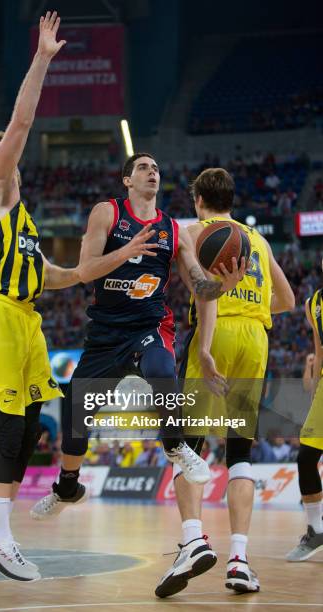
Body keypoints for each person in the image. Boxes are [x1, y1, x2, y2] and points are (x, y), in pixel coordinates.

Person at [30, 155, 245, 521]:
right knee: (74, 420)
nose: (152, 172)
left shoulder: (173, 230)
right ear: (127, 180)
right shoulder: (107, 213)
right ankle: (67, 486)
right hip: (106, 334)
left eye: (157, 168)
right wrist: (126, 252)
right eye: (144, 167)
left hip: (149, 326)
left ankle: (175, 445)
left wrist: (220, 286)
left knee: (162, 369)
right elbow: (85, 271)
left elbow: (198, 285)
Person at [0, 12, 81, 582]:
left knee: (31, 427)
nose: (10, 155)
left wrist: (110, 266)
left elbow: (57, 276)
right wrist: (43, 58)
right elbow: (23, 122)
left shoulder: (25, 222)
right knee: (9, 426)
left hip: (25, 319)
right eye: (0, 151)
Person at [156, 167, 295, 597]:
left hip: (215, 336)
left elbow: (203, 292)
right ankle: (239, 560)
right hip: (256, 338)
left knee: (188, 448)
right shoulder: (259, 240)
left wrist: (209, 342)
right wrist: (255, 308)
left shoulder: (194, 231)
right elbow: (288, 300)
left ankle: (193, 541)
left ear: (198, 199)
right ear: (232, 200)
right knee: (240, 456)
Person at [286, 271, 323, 561]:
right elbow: (318, 350)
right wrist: (312, 385)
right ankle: (316, 529)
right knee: (306, 458)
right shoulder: (314, 303)